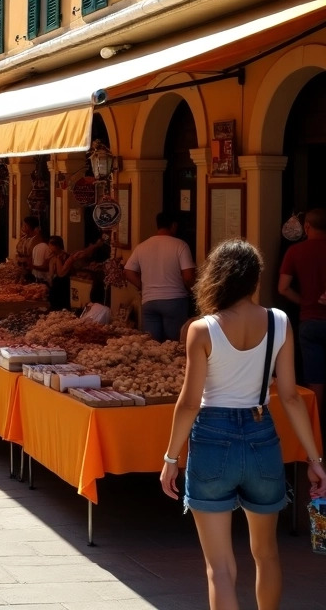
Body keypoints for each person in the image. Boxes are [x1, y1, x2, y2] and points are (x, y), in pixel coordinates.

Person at [160, 239, 325, 610]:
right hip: (261, 434)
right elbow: (292, 396)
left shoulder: (202, 329)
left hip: (212, 438)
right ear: (256, 279)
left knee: (218, 567)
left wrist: (171, 458)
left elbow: (188, 402)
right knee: (266, 554)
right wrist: (315, 459)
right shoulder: (279, 321)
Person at [278, 206, 326, 421]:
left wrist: (304, 302)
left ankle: (315, 426)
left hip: (310, 321)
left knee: (315, 379)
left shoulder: (295, 251)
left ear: (307, 226)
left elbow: (283, 287)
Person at [125, 212, 196, 342]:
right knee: (174, 345)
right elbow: (188, 276)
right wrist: (193, 291)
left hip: (149, 302)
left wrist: (143, 286)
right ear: (174, 226)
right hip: (174, 301)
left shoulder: (142, 246)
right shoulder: (180, 245)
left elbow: (128, 271)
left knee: (153, 345)